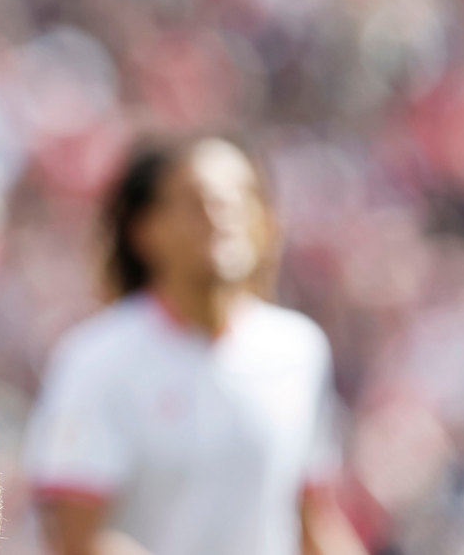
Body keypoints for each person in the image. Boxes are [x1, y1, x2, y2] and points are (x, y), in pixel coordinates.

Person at [25, 136, 366, 555]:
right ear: (145, 230)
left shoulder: (299, 350)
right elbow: (75, 539)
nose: (220, 215)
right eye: (195, 202)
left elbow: (312, 520)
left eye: (238, 199)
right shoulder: (96, 360)